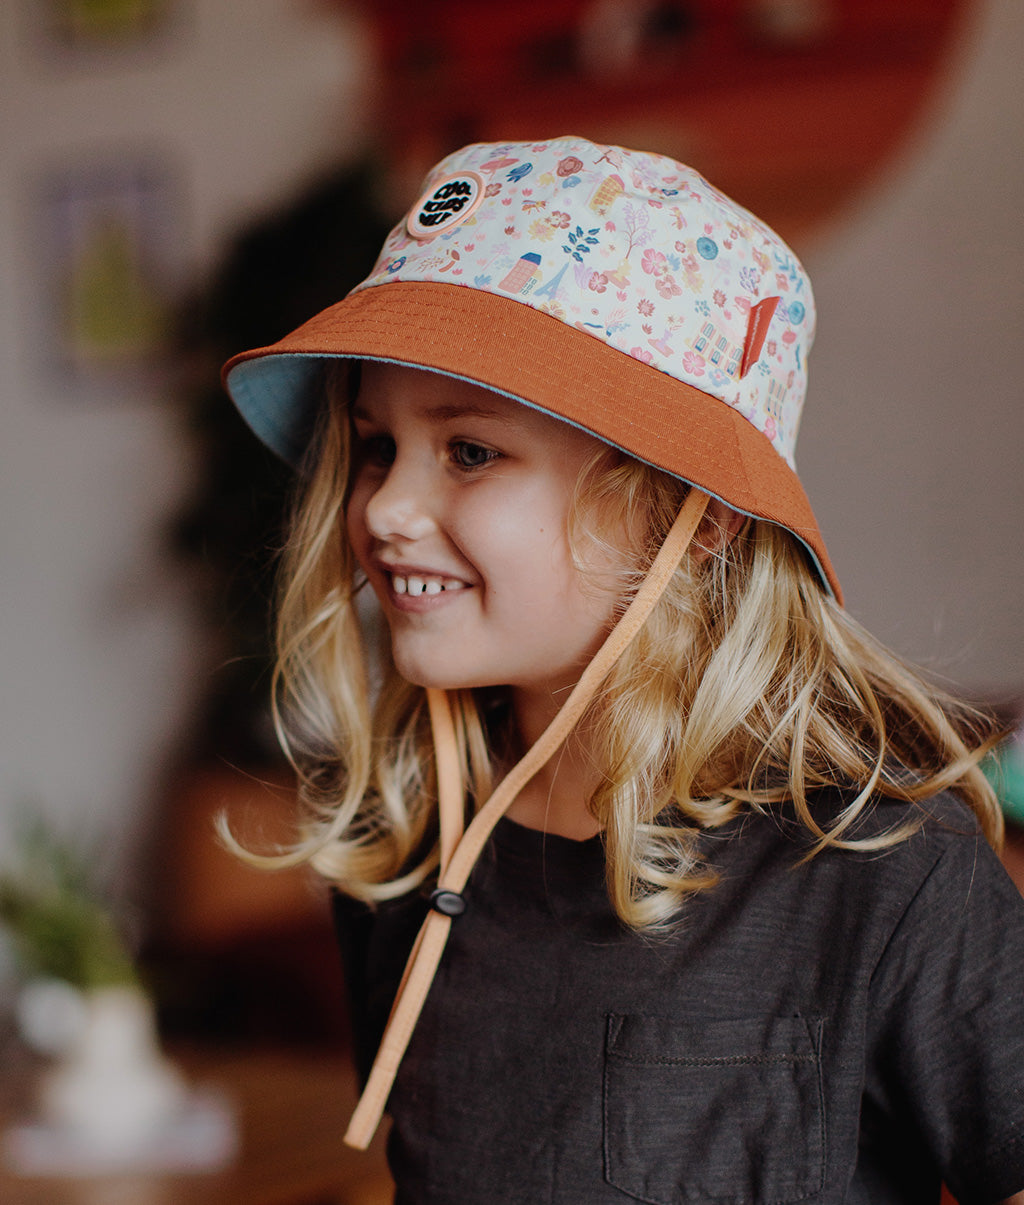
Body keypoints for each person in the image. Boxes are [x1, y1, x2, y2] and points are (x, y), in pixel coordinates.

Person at [222, 136, 1024, 1203]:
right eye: (375, 444)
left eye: (469, 450)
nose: (382, 508)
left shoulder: (885, 869)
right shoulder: (406, 849)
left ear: (688, 514)